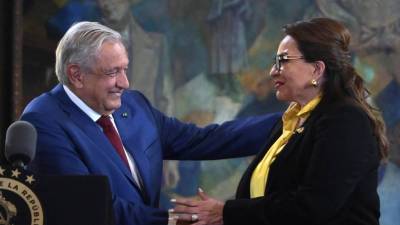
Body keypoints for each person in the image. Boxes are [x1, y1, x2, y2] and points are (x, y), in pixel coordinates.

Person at [20, 21, 280, 225]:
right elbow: (94, 207)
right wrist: (180, 220)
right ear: (76, 75)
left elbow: (204, 139)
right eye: (113, 72)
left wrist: (289, 122)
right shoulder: (44, 122)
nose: (125, 83)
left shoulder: (134, 106)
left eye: (125, 69)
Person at [172, 17, 389, 225]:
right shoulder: (292, 121)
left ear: (316, 69)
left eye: (282, 61)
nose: (272, 71)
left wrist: (225, 213)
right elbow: (273, 203)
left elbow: (312, 208)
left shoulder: (345, 120)